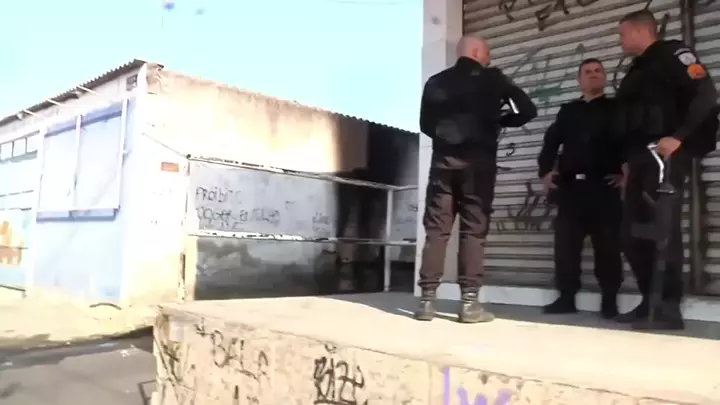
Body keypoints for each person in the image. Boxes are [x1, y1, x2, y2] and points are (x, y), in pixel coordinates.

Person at [414, 36, 537, 323]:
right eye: (487, 53)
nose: (489, 59)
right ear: (477, 52)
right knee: (473, 232)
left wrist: (447, 137)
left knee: (437, 231)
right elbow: (527, 110)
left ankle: (427, 302)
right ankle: (469, 305)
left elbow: (425, 125)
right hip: (478, 166)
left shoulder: (436, 81)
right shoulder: (494, 79)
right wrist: (499, 121)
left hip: (443, 164)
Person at [615, 9, 718, 330]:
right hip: (639, 160)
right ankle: (651, 300)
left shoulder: (674, 54)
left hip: (665, 157)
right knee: (631, 233)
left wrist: (679, 137)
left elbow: (706, 95)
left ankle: (668, 310)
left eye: (622, 34)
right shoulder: (637, 69)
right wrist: (626, 162)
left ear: (639, 31)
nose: (619, 41)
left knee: (663, 231)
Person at [537, 59, 626, 318]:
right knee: (566, 248)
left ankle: (609, 301)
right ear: (579, 80)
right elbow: (551, 142)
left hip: (604, 188)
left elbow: (630, 141)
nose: (594, 75)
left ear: (605, 77)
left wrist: (627, 173)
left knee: (608, 247)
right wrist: (545, 172)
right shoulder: (568, 111)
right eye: (588, 72)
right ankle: (566, 298)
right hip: (571, 189)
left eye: (598, 71)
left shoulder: (617, 108)